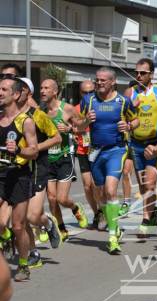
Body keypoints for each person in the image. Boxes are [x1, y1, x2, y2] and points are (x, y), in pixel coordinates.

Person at [78, 67, 139, 254]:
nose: (99, 83)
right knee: (101, 193)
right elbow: (78, 126)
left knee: (111, 190)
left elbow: (136, 121)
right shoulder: (88, 101)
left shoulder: (123, 101)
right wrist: (86, 121)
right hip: (96, 151)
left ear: (113, 82)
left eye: (103, 80)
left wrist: (128, 125)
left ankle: (112, 237)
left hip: (116, 150)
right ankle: (116, 226)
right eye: (97, 79)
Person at [16, 77, 62, 268]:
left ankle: (49, 224)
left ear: (28, 93)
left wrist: (35, 148)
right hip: (16, 171)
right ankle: (33, 252)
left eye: (21, 89)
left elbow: (57, 137)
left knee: (32, 216)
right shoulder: (6, 117)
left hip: (37, 168)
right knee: (21, 217)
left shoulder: (38, 115)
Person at [124, 58, 157, 234]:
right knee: (143, 185)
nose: (139, 75)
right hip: (136, 144)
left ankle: (145, 220)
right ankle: (152, 214)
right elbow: (123, 116)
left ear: (151, 74)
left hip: (154, 143)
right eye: (137, 72)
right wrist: (130, 107)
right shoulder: (130, 92)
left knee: (150, 184)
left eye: (143, 73)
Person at [0, 78, 39, 281]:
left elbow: (33, 151)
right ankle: (6, 238)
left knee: (18, 226)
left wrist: (19, 150)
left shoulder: (26, 121)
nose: (0, 92)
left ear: (15, 95)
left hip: (19, 176)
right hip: (0, 175)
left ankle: (23, 264)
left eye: (4, 89)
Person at [40, 79, 88, 240]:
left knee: (61, 198)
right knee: (52, 198)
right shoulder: (41, 112)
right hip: (48, 159)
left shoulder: (67, 109)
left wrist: (69, 129)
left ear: (55, 91)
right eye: (41, 88)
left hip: (64, 156)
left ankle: (75, 208)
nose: (42, 91)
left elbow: (82, 127)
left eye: (46, 88)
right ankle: (61, 228)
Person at [73, 80, 101, 229]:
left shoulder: (100, 105)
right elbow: (73, 128)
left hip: (98, 149)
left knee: (97, 185)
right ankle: (96, 214)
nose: (88, 95)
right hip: (82, 149)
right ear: (80, 93)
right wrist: (79, 128)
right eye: (85, 92)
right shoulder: (76, 109)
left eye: (91, 92)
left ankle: (104, 211)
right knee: (87, 185)